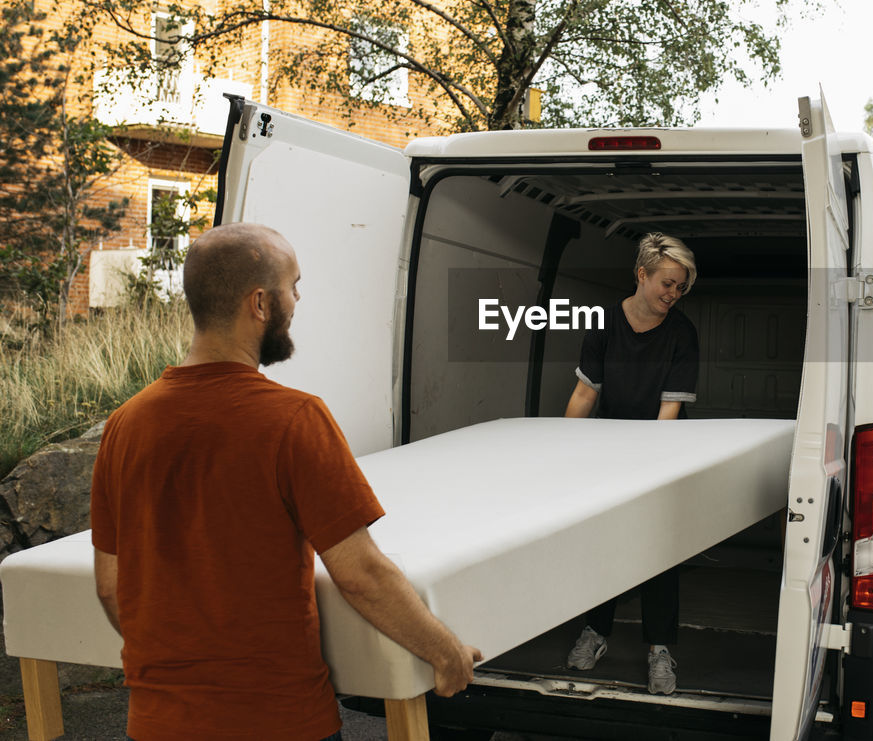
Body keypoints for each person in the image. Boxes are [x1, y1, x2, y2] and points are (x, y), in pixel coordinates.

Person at [91, 222, 482, 741]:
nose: (297, 299)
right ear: (259, 303)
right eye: (292, 285)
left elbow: (111, 587)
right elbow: (361, 573)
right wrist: (446, 651)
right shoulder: (292, 419)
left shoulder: (126, 424)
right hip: (275, 721)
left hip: (158, 723)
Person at [562, 232, 699, 696]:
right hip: (608, 454)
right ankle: (596, 632)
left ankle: (660, 650)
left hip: (660, 454)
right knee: (604, 544)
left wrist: (648, 472)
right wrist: (561, 451)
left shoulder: (681, 333)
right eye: (667, 283)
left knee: (658, 553)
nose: (672, 294)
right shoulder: (603, 325)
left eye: (680, 287)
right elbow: (585, 393)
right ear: (642, 275)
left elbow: (669, 410)